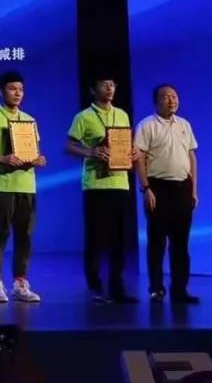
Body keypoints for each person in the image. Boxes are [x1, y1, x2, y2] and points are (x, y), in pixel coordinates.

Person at [66, 73, 141, 303]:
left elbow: (126, 143)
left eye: (112, 84)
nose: (109, 88)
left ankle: (117, 287)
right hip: (96, 184)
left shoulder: (122, 114)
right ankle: (95, 286)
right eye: (104, 84)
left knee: (119, 238)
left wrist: (133, 152)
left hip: (120, 182)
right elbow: (70, 146)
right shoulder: (84, 116)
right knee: (96, 237)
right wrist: (91, 152)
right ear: (93, 89)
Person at [0, 71, 44, 304]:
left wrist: (38, 159)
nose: (17, 93)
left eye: (21, 89)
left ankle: (20, 283)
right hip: (2, 185)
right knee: (0, 234)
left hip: (27, 186)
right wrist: (1, 159)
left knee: (25, 236)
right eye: (12, 89)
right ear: (1, 91)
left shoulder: (29, 120)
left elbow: (32, 151)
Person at [135, 83, 200, 303]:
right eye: (166, 97)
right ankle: (156, 289)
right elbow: (140, 158)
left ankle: (180, 290)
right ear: (156, 102)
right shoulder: (147, 125)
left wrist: (193, 190)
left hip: (182, 188)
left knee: (181, 244)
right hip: (158, 188)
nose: (171, 100)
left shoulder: (184, 124)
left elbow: (191, 158)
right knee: (157, 242)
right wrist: (146, 188)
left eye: (174, 96)